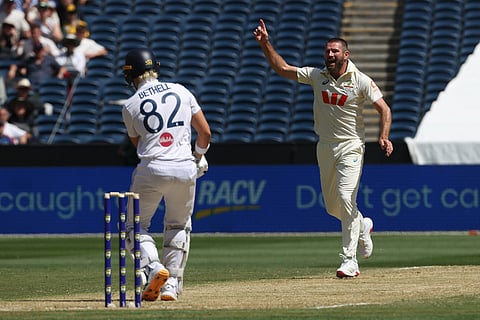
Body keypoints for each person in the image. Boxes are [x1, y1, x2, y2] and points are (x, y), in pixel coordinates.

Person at [254, 19, 394, 278]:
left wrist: (384, 136)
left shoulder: (360, 80)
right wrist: (266, 44)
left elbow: (384, 109)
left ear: (345, 55)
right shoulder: (317, 76)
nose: (329, 55)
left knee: (345, 197)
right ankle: (362, 225)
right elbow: (283, 68)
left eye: (334, 51)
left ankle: (349, 261)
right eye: (327, 51)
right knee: (333, 207)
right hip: (326, 147)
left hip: (351, 146)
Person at [121, 48, 211, 301]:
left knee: (134, 227)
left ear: (131, 75)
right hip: (185, 168)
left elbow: (137, 143)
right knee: (178, 226)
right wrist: (198, 157)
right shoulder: (182, 90)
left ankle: (152, 268)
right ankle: (171, 284)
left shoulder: (129, 106)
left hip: (152, 168)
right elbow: (205, 133)